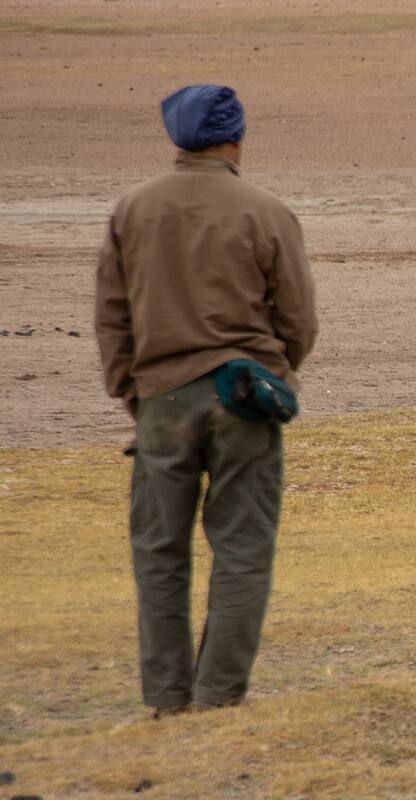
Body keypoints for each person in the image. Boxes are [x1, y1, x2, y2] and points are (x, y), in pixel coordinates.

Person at [94, 84, 318, 718]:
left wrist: (136, 394)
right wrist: (274, 375)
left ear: (178, 137)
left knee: (158, 552)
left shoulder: (132, 210)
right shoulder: (266, 211)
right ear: (236, 138)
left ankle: (167, 700)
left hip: (161, 397)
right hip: (245, 395)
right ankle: (219, 696)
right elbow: (299, 319)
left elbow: (112, 318)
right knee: (243, 546)